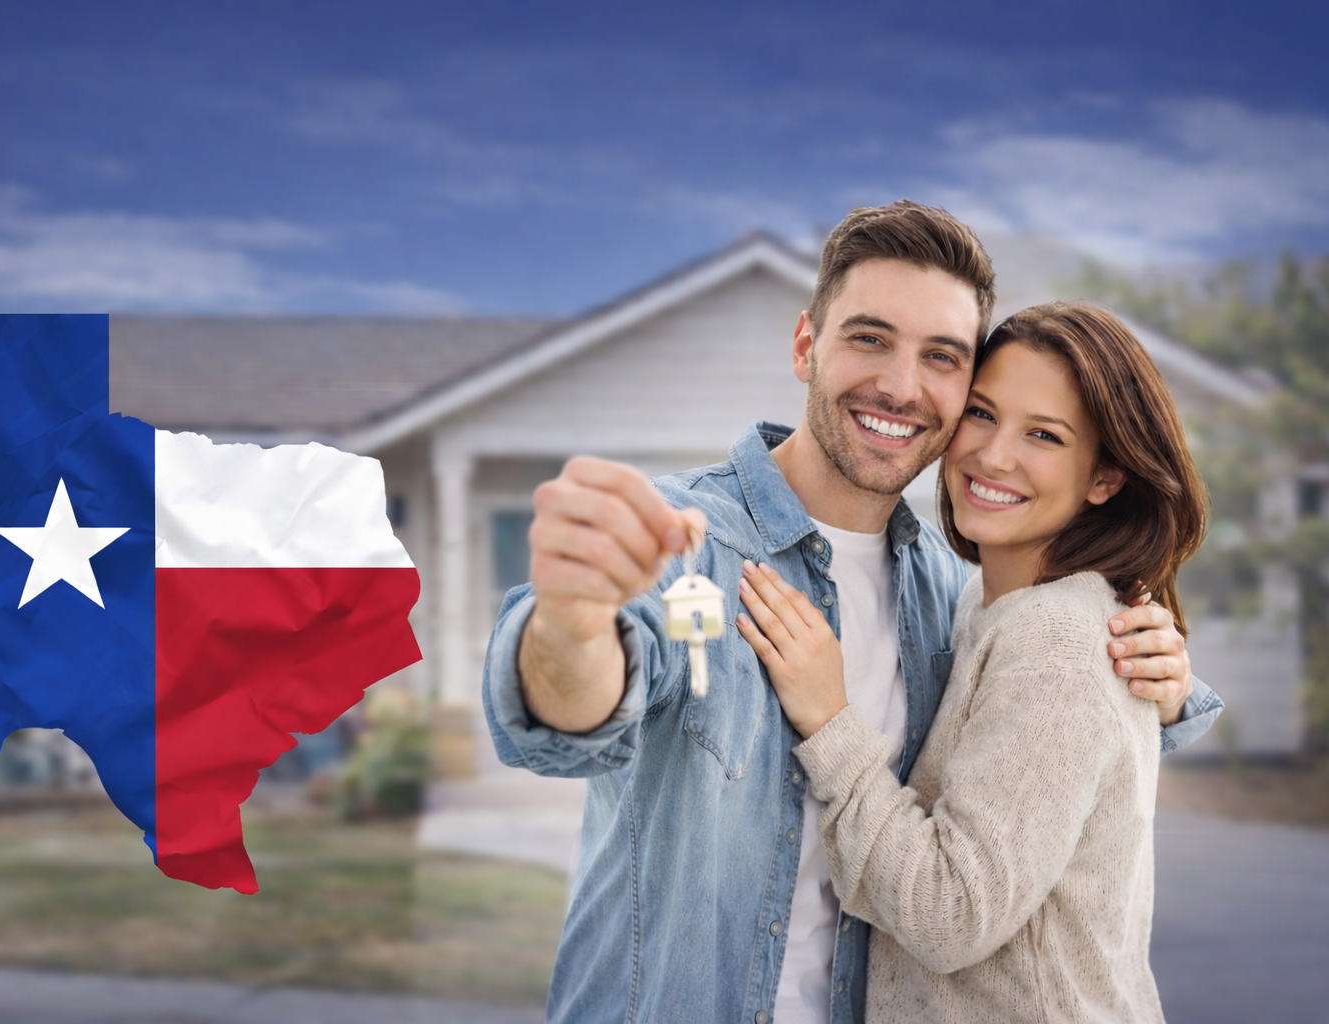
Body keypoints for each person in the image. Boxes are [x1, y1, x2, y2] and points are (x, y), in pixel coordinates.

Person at [481, 201, 1224, 1024]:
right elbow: (568, 713)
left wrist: (1161, 682)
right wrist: (570, 621)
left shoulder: (957, 594)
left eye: (941, 358)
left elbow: (1048, 748)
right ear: (807, 346)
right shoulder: (680, 538)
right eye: (869, 338)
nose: (901, 387)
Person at [738, 301, 1205, 1022]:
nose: (993, 455)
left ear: (1105, 477)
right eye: (982, 414)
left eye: (1044, 435)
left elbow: (948, 914)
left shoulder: (1055, 636)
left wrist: (829, 720)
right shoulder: (985, 604)